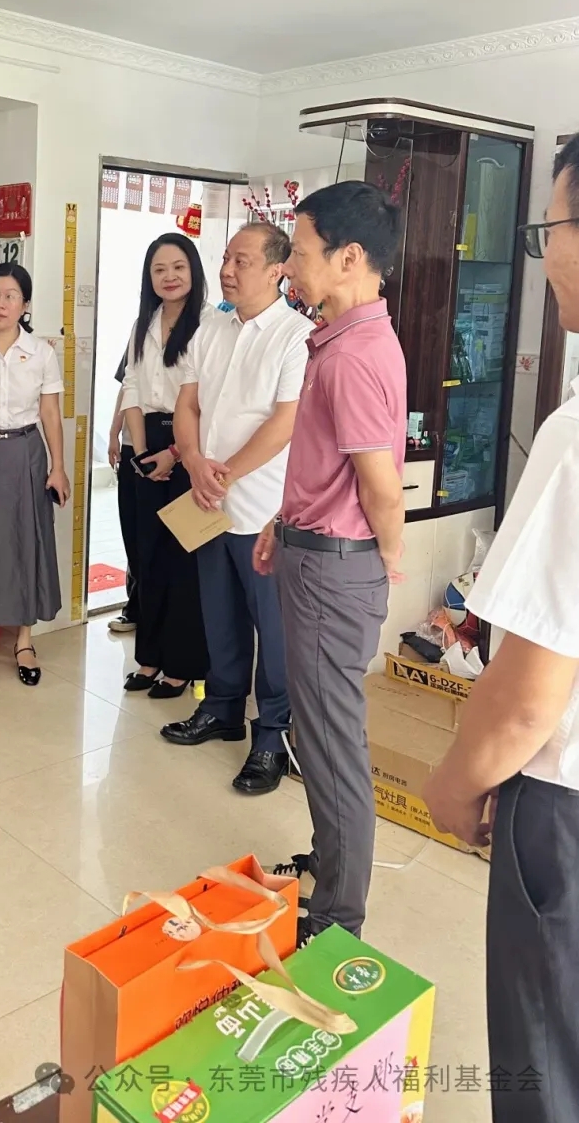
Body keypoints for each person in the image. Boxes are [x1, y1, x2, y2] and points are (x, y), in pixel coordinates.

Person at [424, 135, 579, 1123]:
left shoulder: (575, 435)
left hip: (564, 813)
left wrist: (453, 785)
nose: (547, 256)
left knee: (547, 1065)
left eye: (548, 228)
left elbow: (529, 698)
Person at [253, 181, 405, 945]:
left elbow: (382, 489)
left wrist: (385, 559)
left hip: (332, 571)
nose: (290, 268)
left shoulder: (352, 356)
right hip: (316, 552)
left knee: (332, 745)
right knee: (317, 735)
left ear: (349, 258)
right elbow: (333, 470)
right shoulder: (341, 339)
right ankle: (330, 858)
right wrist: (285, 520)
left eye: (302, 253)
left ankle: (339, 917)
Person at [163, 223, 314, 796]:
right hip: (208, 500)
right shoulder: (211, 328)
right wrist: (194, 462)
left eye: (241, 261)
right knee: (218, 615)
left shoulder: (297, 337)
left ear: (277, 270)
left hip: (264, 510)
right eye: (226, 258)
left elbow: (285, 422)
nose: (227, 270)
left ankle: (272, 735)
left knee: (273, 632)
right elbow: (188, 404)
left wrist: (223, 472)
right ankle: (222, 707)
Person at [0, 263, 69, 685]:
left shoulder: (41, 352)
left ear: (25, 304)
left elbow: (50, 413)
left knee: (27, 541)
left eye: (10, 295)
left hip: (26, 452)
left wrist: (59, 467)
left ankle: (24, 640)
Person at [120, 233, 210, 698]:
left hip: (190, 446)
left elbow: (207, 400)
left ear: (193, 271)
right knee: (147, 556)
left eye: (178, 267)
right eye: (159, 269)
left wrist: (174, 453)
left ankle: (181, 665)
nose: (169, 276)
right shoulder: (144, 324)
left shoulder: (210, 325)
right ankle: (149, 658)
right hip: (146, 444)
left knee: (183, 560)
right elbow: (132, 388)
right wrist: (140, 453)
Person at [105, 356, 139, 635]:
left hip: (174, 446)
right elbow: (127, 386)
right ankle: (135, 607)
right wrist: (114, 432)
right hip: (130, 446)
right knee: (133, 532)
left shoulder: (197, 334)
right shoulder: (139, 335)